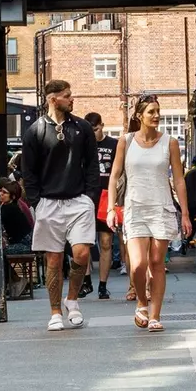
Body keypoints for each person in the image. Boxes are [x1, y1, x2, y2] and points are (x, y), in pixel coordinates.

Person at [107, 95, 192, 332]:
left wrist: (184, 212)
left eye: (158, 111)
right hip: (135, 207)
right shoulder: (125, 141)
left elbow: (178, 179)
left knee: (156, 262)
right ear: (139, 116)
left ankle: (155, 315)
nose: (156, 116)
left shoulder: (170, 142)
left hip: (161, 207)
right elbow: (114, 176)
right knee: (138, 264)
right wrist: (111, 208)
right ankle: (142, 303)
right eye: (151, 112)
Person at [21, 79, 99, 332]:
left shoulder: (83, 128)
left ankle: (72, 300)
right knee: (53, 259)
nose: (72, 99)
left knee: (82, 253)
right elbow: (28, 171)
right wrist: (36, 202)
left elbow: (92, 165)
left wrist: (89, 197)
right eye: (67, 96)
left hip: (78, 201)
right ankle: (55, 312)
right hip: (49, 202)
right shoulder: (35, 131)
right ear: (53, 99)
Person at [88, 112, 117, 299]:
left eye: (96, 129)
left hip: (106, 196)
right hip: (87, 197)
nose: (93, 134)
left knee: (106, 241)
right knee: (84, 242)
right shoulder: (82, 145)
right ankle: (86, 281)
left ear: (102, 125)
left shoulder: (113, 145)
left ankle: (102, 285)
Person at [0, 181, 35, 253]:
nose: (1, 194)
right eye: (1, 191)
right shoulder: (7, 206)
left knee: (0, 252)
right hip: (22, 242)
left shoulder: (10, 208)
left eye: (4, 192)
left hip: (25, 244)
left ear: (13, 197)